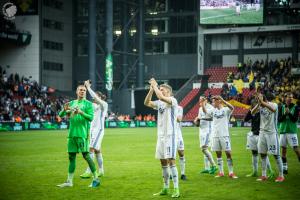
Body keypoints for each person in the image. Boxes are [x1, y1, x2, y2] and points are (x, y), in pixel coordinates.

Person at [57, 85, 100, 188]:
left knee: (86, 156)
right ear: (77, 91)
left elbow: (90, 118)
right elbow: (61, 115)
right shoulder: (72, 103)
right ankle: (69, 182)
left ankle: (96, 179)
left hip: (82, 134)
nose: (82, 91)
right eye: (80, 90)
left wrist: (80, 112)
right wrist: (64, 109)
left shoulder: (88, 104)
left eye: (84, 90)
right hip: (72, 134)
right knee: (71, 157)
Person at [144, 78, 180, 198]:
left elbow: (161, 97)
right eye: (160, 89)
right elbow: (146, 103)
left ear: (168, 91)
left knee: (171, 161)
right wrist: (151, 90)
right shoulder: (159, 103)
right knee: (163, 162)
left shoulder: (172, 100)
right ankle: (165, 188)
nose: (160, 91)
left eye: (162, 89)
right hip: (161, 136)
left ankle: (176, 189)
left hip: (170, 135)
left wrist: (154, 86)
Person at [252, 93, 284, 182]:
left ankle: (281, 175)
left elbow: (273, 110)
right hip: (262, 133)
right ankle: (264, 175)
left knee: (276, 155)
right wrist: (259, 104)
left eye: (257, 99)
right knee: (262, 154)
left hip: (272, 133)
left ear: (263, 98)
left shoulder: (273, 104)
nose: (257, 101)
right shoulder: (260, 106)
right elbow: (252, 112)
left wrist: (262, 102)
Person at [80, 80, 108, 178]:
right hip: (92, 130)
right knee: (97, 151)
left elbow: (94, 97)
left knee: (90, 149)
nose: (94, 98)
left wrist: (88, 87)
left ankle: (89, 171)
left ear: (100, 97)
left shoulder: (104, 105)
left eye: (96, 97)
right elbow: (84, 102)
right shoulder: (93, 105)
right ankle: (101, 170)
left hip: (99, 130)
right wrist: (83, 90)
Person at [205, 96, 238, 179]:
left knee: (228, 154)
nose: (213, 103)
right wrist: (202, 105)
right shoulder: (213, 110)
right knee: (218, 154)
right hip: (215, 135)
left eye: (214, 102)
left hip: (224, 135)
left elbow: (232, 107)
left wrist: (223, 99)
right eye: (212, 102)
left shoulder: (226, 110)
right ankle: (221, 172)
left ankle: (231, 172)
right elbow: (206, 112)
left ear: (218, 101)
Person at [244, 99, 274, 178]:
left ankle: (270, 171)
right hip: (253, 134)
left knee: (263, 154)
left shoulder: (262, 112)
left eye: (256, 104)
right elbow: (245, 119)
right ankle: (255, 172)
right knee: (254, 153)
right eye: (253, 104)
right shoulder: (252, 112)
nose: (255, 106)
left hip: (261, 135)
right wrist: (251, 110)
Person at [193, 96, 217, 175]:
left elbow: (209, 117)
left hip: (207, 131)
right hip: (201, 130)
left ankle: (214, 165)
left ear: (206, 100)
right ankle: (207, 168)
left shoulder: (210, 107)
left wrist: (200, 118)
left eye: (202, 99)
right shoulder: (200, 108)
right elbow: (199, 120)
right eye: (199, 100)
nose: (200, 101)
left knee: (204, 149)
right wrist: (196, 122)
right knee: (204, 150)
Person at [278, 92, 300, 174]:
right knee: (283, 150)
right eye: (289, 97)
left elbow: (295, 120)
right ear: (285, 98)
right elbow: (279, 119)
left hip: (292, 131)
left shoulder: (296, 107)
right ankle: (285, 167)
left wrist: (289, 113)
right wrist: (285, 114)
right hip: (283, 131)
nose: (291, 98)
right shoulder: (281, 107)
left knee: (296, 150)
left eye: (292, 97)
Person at [175, 105, 186, 180]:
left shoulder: (179, 108)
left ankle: (183, 174)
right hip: (169, 135)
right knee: (170, 156)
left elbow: (179, 119)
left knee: (181, 153)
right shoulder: (165, 108)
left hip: (178, 134)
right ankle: (170, 174)